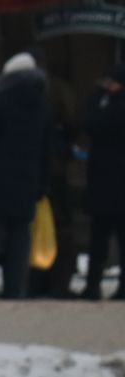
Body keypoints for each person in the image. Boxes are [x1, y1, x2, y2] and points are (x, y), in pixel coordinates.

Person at [0, 51, 53, 301]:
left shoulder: (0, 103)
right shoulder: (42, 106)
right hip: (28, 180)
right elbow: (48, 149)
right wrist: (42, 182)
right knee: (20, 237)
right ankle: (15, 290)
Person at [80, 64, 125, 300]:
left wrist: (97, 95)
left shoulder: (114, 107)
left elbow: (92, 124)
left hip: (107, 183)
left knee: (99, 240)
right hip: (114, 185)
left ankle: (93, 285)